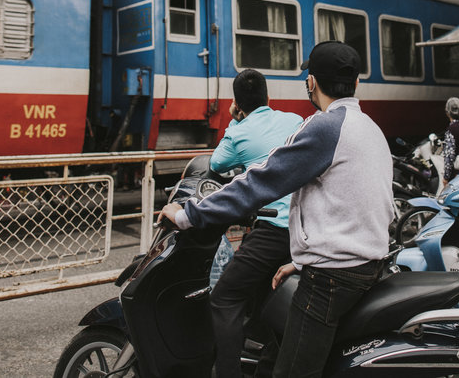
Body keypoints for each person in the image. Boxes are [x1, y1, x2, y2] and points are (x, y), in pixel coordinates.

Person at [160, 41, 393, 378]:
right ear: (356, 84)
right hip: (365, 266)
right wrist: (298, 261)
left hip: (331, 279)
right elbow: (350, 208)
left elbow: (258, 183)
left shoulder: (326, 126)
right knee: (273, 357)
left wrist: (187, 214)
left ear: (311, 83)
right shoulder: (370, 128)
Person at [208, 69, 304, 378]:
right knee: (269, 298)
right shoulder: (293, 120)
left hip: (274, 230)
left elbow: (216, 164)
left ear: (237, 103)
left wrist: (234, 121)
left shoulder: (239, 131)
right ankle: (267, 365)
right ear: (268, 97)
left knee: (224, 298)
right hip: (306, 229)